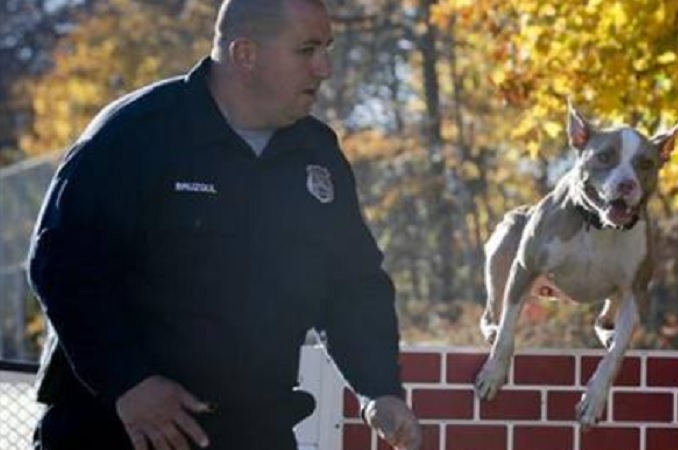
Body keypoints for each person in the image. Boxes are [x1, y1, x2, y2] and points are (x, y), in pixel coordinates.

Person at [27, 0, 422, 449]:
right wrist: (129, 382)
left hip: (252, 430)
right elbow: (63, 265)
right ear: (245, 54)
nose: (324, 68)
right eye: (307, 50)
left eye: (327, 48)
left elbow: (352, 288)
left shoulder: (317, 155)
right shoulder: (137, 133)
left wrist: (379, 390)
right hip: (120, 429)